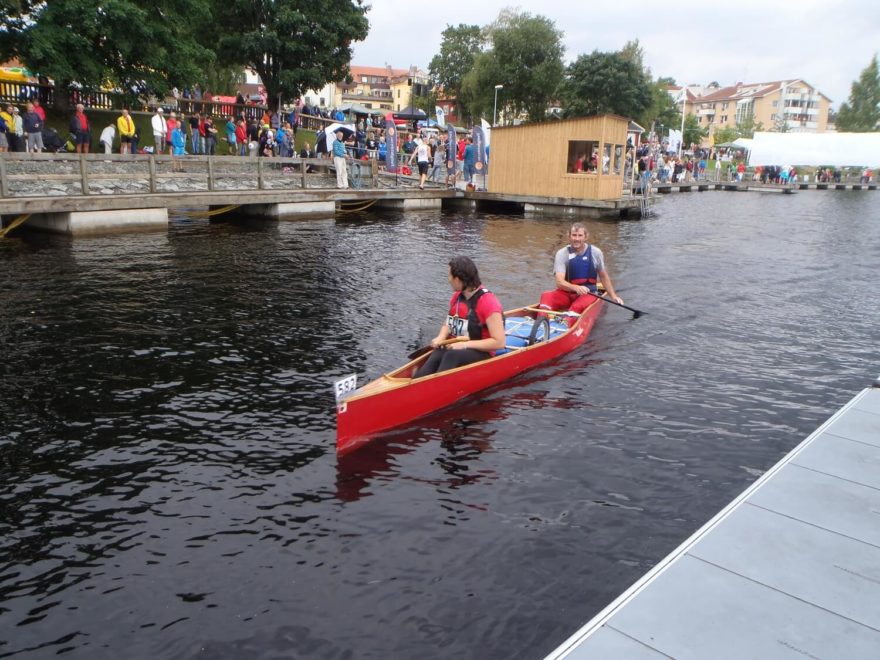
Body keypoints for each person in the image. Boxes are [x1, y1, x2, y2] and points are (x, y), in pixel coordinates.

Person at [414, 256, 506, 378]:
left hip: (481, 351)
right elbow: (448, 322)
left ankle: (438, 385)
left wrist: (464, 345)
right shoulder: (457, 297)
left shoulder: (488, 303)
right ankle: (417, 380)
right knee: (439, 352)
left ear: (457, 280)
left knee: (451, 355)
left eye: (449, 276)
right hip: (456, 347)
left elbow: (499, 342)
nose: (448, 280)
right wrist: (441, 336)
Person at [537, 223, 623, 320]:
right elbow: (559, 282)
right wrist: (576, 288)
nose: (577, 239)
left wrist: (613, 296)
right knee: (546, 296)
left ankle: (566, 322)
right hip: (566, 294)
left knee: (576, 307)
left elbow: (603, 276)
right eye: (574, 235)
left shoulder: (596, 253)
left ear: (586, 237)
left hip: (589, 294)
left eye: (580, 235)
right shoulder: (561, 254)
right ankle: (541, 320)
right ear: (569, 236)